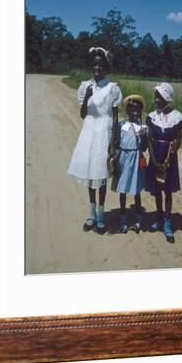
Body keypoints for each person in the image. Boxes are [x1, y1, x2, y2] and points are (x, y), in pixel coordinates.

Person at [68, 47, 122, 234]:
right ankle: (91, 214)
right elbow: (83, 114)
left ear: (106, 67)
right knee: (91, 174)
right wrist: (87, 98)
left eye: (101, 64)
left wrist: (113, 141)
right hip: (89, 133)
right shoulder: (85, 87)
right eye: (95, 64)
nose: (97, 67)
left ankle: (101, 215)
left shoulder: (112, 88)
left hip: (103, 133)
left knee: (101, 175)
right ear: (92, 66)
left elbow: (115, 116)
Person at [145, 82, 182, 243]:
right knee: (157, 190)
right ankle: (159, 217)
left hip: (169, 159)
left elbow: (178, 139)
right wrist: (154, 160)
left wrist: (171, 154)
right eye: (155, 97)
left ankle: (168, 221)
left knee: (167, 190)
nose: (156, 100)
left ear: (167, 98)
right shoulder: (152, 117)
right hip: (155, 155)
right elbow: (149, 139)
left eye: (159, 97)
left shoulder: (177, 117)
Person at [111, 95, 148, 234]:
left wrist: (144, 136)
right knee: (123, 189)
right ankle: (123, 219)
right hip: (123, 159)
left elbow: (144, 148)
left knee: (136, 190)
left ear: (141, 111)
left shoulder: (143, 127)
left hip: (136, 159)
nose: (135, 113)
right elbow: (115, 142)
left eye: (138, 110)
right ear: (127, 111)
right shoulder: (121, 125)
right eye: (132, 110)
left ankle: (138, 220)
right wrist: (114, 156)